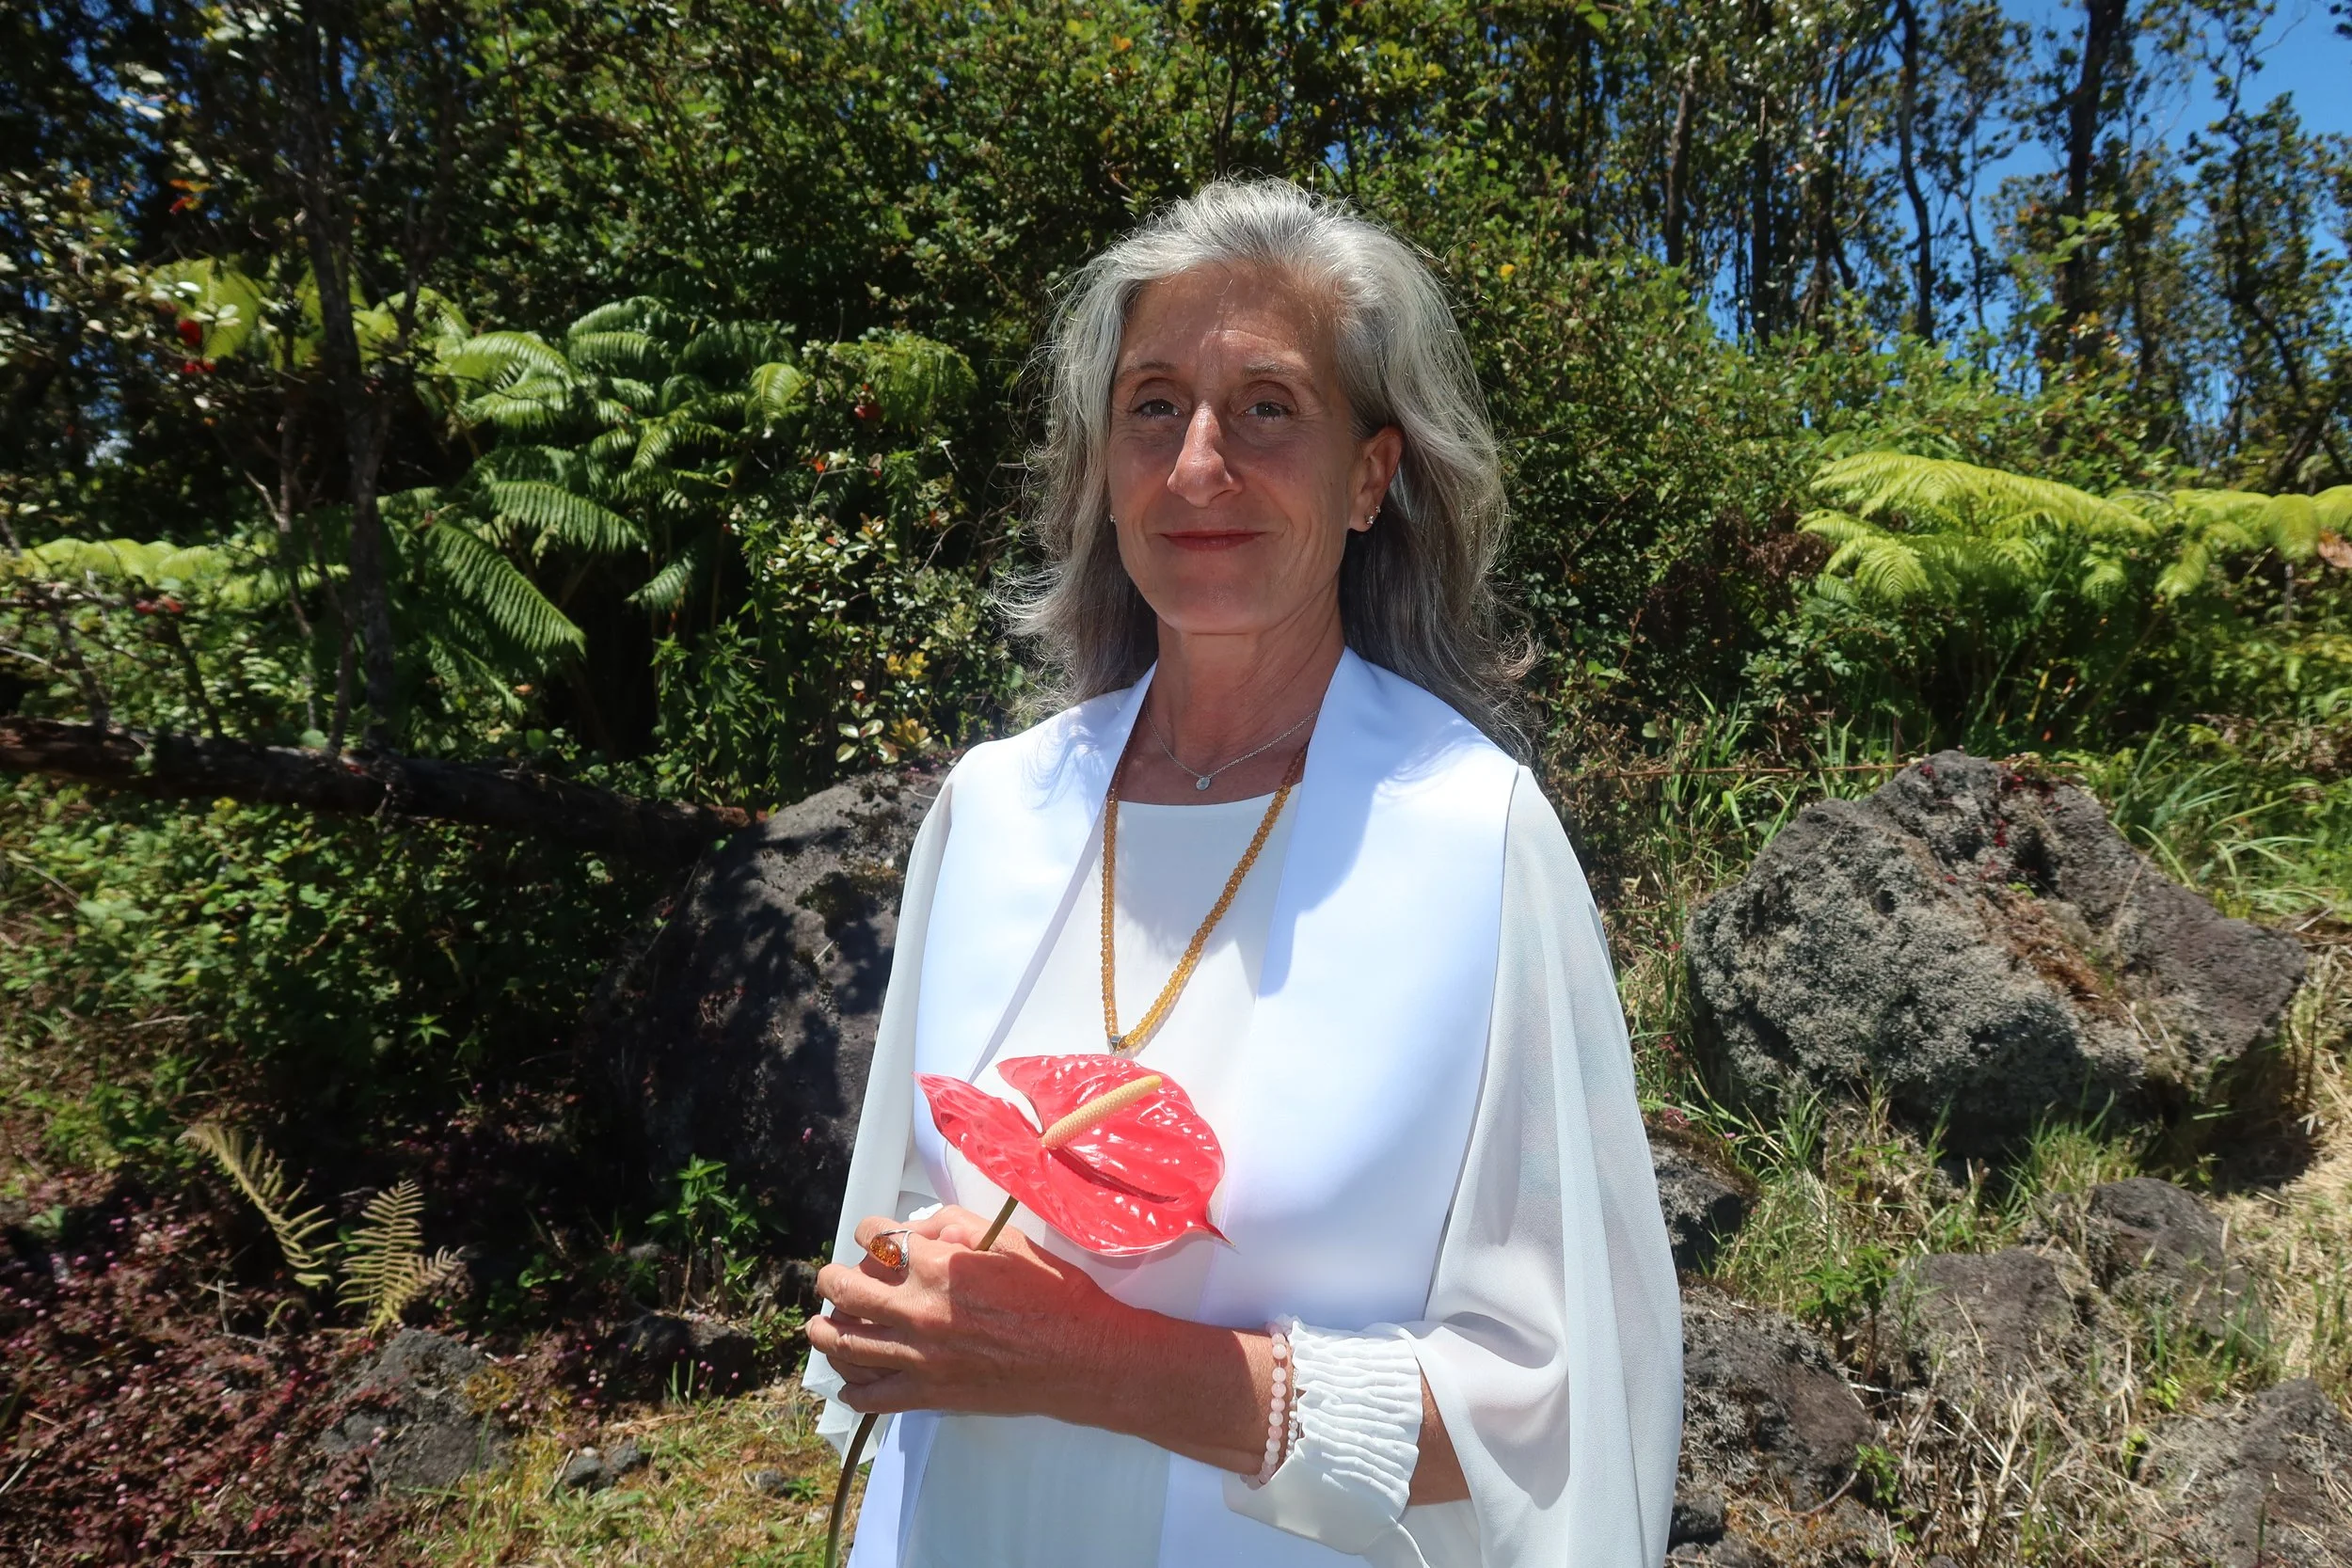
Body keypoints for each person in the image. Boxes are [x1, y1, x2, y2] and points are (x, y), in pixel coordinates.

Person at [803, 178, 1680, 1568]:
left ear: (1371, 477)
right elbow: (895, 1244)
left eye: (1268, 407)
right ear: (1101, 464)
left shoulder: (1473, 838)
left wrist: (1101, 1360)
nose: (1199, 462)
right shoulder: (990, 814)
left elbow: (1557, 1402)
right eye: (1154, 405)